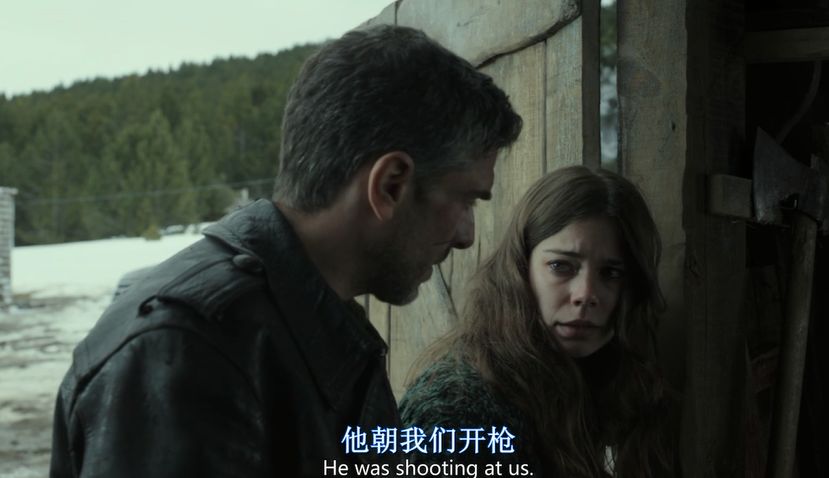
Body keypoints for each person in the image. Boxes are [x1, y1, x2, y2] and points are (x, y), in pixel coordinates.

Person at [49, 25, 522, 477]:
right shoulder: (186, 354)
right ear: (391, 185)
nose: (467, 235)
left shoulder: (310, 318)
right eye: (465, 200)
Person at [399, 166, 680, 477]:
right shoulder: (457, 408)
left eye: (611, 273)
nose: (585, 294)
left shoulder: (618, 390)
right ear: (521, 268)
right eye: (561, 266)